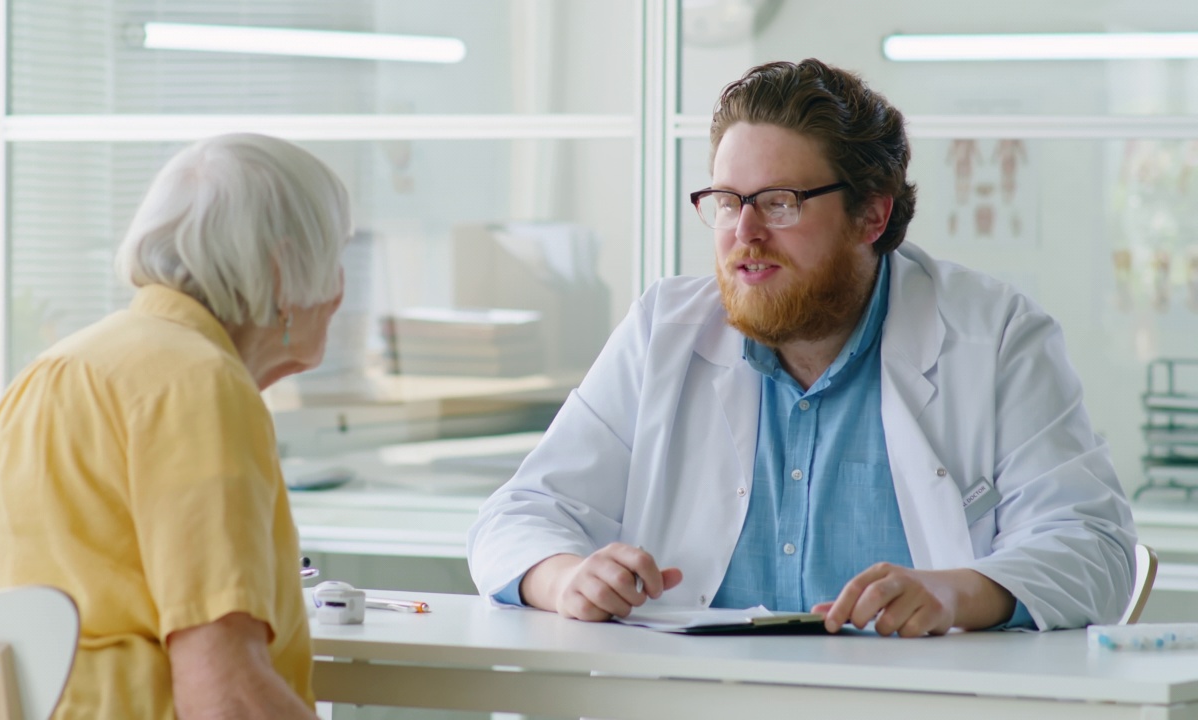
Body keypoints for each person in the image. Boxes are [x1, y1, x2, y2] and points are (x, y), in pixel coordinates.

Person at [467, 59, 1137, 636]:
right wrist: (565, 580)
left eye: (780, 202)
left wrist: (957, 591)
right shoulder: (664, 330)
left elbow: (1095, 549)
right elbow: (518, 517)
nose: (745, 233)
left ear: (872, 216)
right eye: (728, 202)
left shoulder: (993, 336)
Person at [0, 133, 350, 717]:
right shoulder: (198, 384)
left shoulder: (55, 369)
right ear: (283, 268)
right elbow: (226, 695)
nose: (341, 290)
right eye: (334, 257)